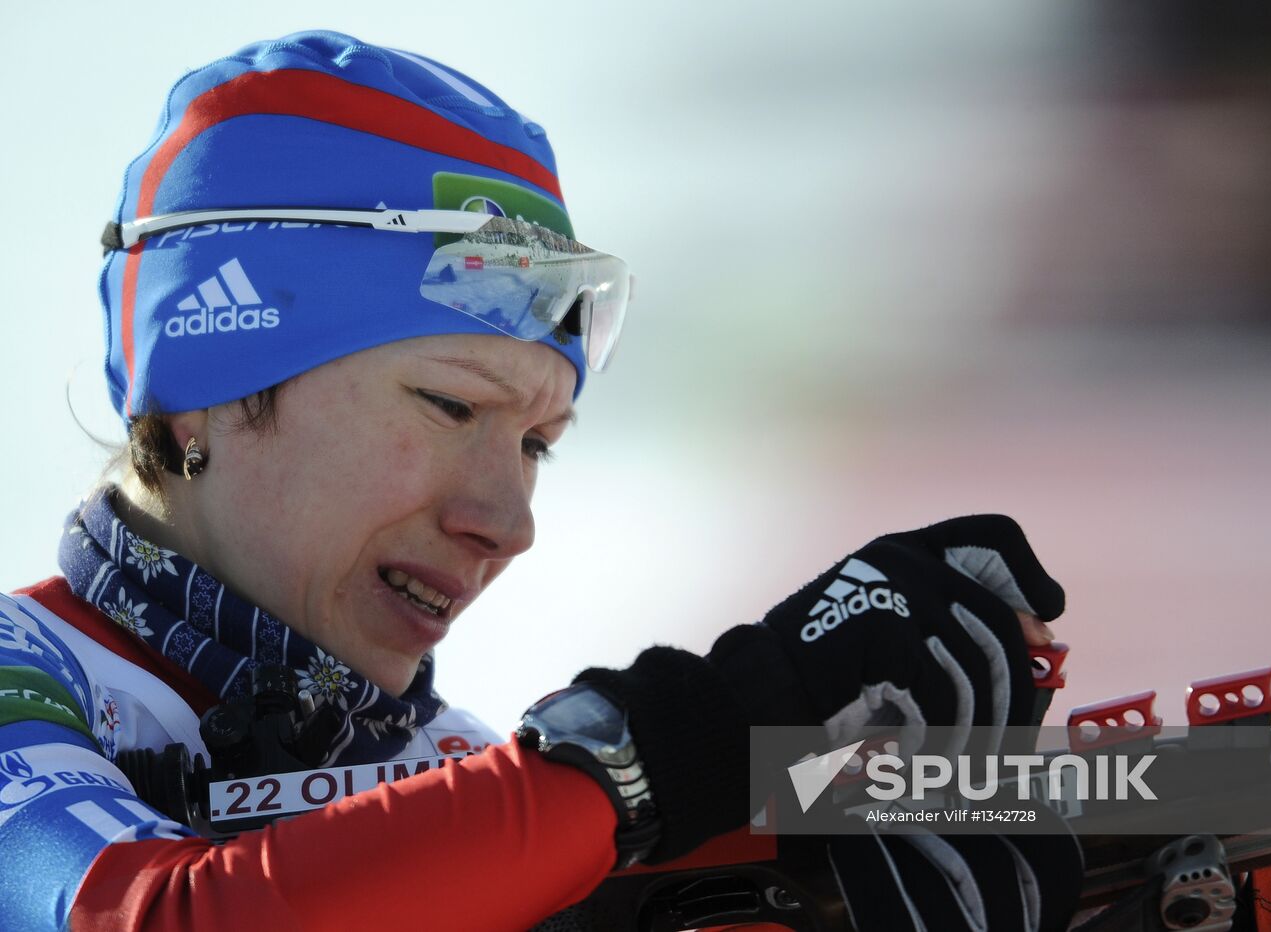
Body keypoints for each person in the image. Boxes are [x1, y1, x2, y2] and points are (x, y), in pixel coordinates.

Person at [0, 31, 1084, 931]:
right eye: (450, 406)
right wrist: (678, 737)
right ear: (205, 387)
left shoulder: (463, 784)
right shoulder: (26, 675)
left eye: (535, 443)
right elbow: (155, 918)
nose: (508, 522)